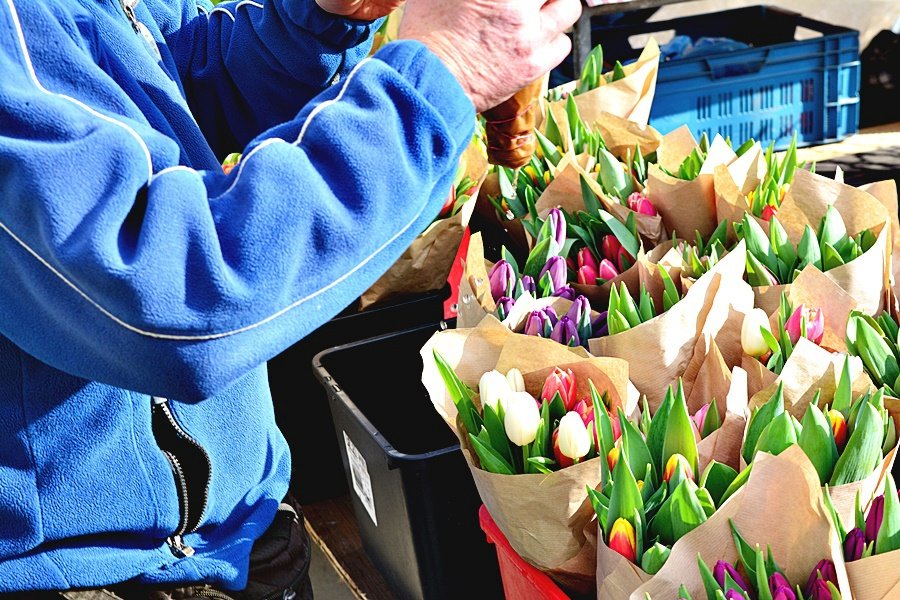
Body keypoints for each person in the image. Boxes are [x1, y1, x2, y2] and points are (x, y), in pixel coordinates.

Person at [0, 0, 581, 597]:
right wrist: (447, 72)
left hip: (243, 532)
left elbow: (175, 76)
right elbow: (171, 299)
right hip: (81, 571)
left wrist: (317, 17)